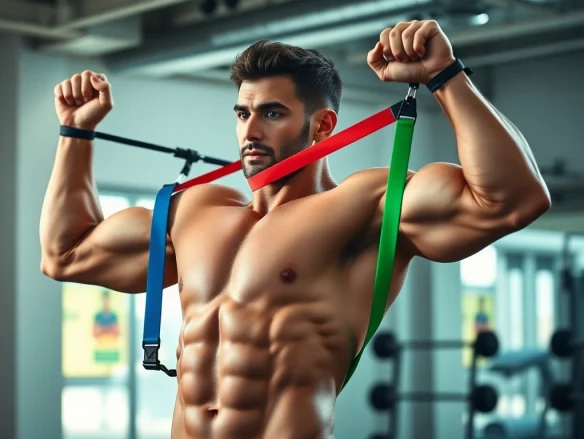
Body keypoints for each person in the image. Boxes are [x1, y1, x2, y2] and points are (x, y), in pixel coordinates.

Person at [40, 19, 551, 439]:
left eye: (272, 113)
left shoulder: (365, 207)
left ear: (323, 126)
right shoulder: (195, 212)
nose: (250, 131)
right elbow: (65, 254)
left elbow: (511, 201)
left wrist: (445, 76)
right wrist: (75, 134)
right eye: (243, 113)